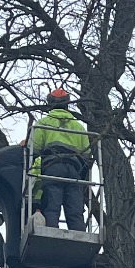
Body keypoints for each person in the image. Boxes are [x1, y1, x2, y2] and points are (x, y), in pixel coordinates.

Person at [28, 88, 91, 230]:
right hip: (74, 171)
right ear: (67, 104)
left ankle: (50, 232)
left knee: (52, 204)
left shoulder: (43, 123)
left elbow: (34, 150)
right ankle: (78, 234)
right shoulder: (78, 126)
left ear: (50, 103)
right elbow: (87, 156)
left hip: (53, 167)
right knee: (75, 207)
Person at [0, 141, 27, 267]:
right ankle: (12, 259)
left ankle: (12, 258)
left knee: (15, 217)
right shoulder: (36, 159)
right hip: (10, 168)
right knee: (16, 216)